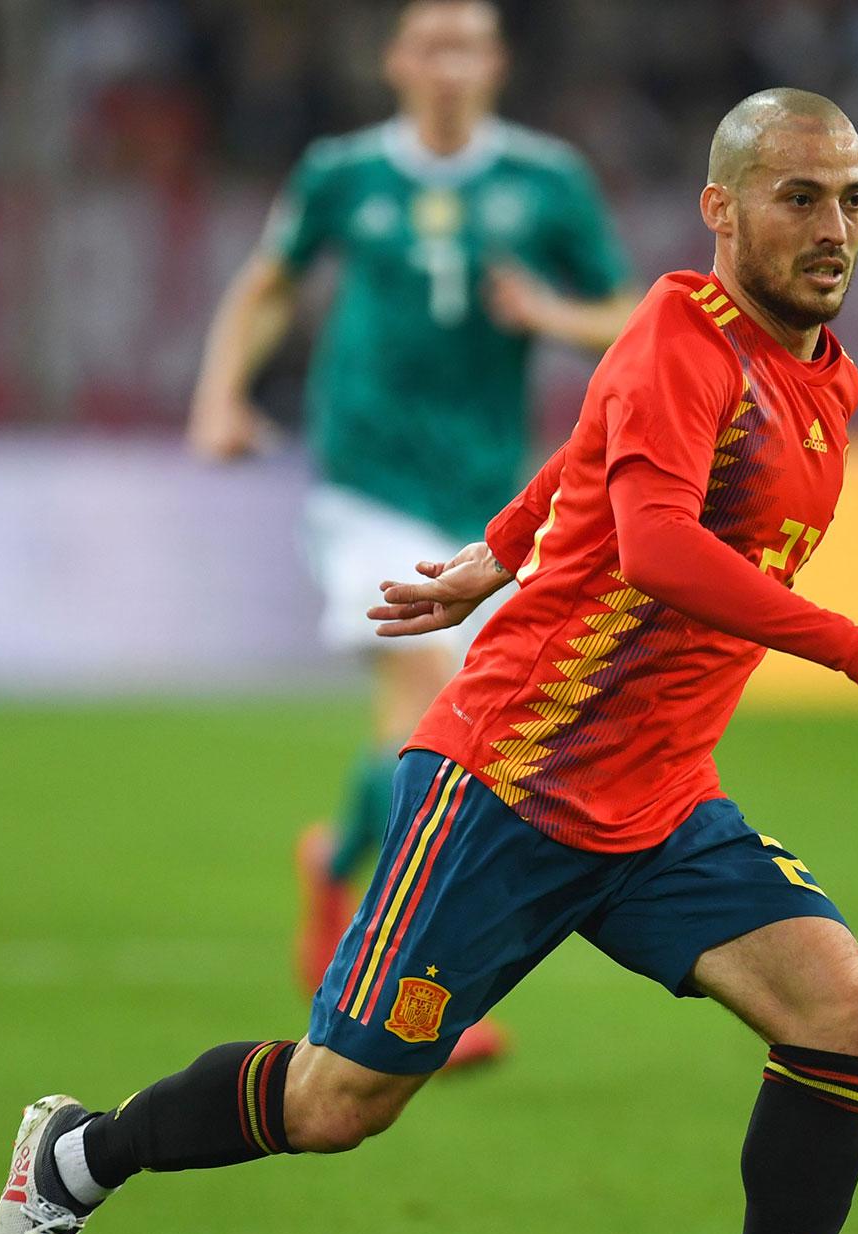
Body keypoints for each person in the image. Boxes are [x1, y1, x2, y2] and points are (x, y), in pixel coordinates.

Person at [0, 87, 858, 1234]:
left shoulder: (826, 375)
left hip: (659, 802)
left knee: (841, 1008)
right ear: (723, 208)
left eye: (856, 198)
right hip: (511, 780)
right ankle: (76, 1159)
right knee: (338, 1107)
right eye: (800, 197)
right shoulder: (682, 337)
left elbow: (585, 454)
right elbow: (656, 546)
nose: (834, 228)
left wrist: (497, 549)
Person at [187, 0, 635, 1032]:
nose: (448, 65)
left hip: (487, 501)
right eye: (430, 44)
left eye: (467, 46)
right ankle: (405, 989)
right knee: (428, 710)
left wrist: (548, 315)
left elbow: (624, 312)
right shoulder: (342, 173)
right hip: (364, 485)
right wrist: (220, 398)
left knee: (462, 729)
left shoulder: (546, 182)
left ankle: (334, 861)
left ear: (496, 64)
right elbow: (267, 283)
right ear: (396, 61)